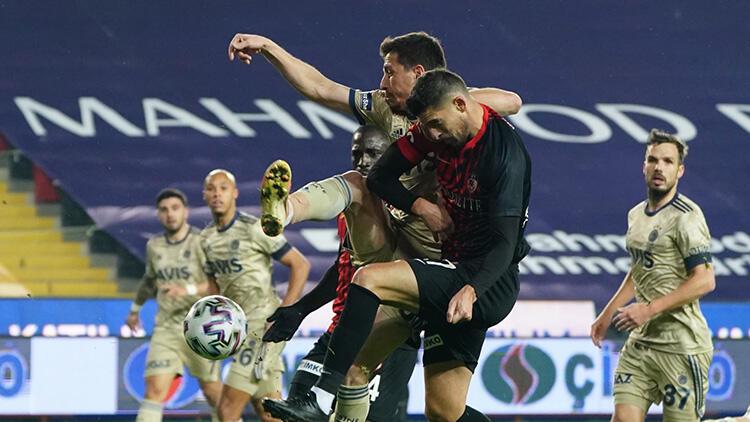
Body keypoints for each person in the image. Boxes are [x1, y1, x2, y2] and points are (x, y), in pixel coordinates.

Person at [263, 69, 531, 422]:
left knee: (369, 278)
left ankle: (318, 399)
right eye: (426, 126)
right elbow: (378, 177)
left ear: (461, 104)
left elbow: (504, 244)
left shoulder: (503, 156)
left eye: (436, 123)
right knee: (442, 410)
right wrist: (422, 207)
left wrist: (471, 289)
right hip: (447, 277)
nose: (432, 134)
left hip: (483, 280)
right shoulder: (431, 132)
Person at [262, 125, 417, 422]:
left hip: (388, 335)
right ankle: (284, 209)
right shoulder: (353, 210)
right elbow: (341, 267)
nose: (363, 161)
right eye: (356, 154)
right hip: (342, 330)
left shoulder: (405, 204)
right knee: (297, 407)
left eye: (373, 153)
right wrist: (300, 310)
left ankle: (288, 209)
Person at [590, 129, 715, 422]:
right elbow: (640, 269)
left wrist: (649, 309)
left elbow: (705, 279)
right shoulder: (636, 215)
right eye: (653, 160)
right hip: (642, 344)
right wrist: (606, 315)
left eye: (668, 162)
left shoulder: (687, 217)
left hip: (682, 347)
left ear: (679, 171)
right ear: (644, 165)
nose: (659, 167)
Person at [200, 169, 310, 422]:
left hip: (263, 326)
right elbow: (212, 287)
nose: (217, 194)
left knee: (227, 410)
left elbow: (300, 264)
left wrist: (286, 311)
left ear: (235, 193)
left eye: (223, 188)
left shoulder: (254, 228)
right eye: (212, 189)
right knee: (270, 412)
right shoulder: (205, 239)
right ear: (205, 195)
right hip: (239, 330)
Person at [126, 188, 222, 422]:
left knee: (213, 394)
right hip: (167, 328)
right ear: (159, 215)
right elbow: (149, 280)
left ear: (186, 212)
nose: (170, 214)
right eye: (164, 210)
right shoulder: (154, 246)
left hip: (201, 328)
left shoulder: (202, 242)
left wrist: (187, 290)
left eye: (175, 208)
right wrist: (135, 309)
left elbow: (216, 285)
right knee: (154, 391)